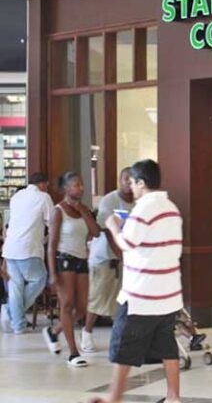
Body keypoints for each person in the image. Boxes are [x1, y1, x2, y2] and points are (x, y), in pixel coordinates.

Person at [93, 159, 184, 403]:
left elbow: (126, 244)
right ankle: (174, 396)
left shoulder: (144, 209)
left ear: (141, 183)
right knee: (167, 345)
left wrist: (113, 226)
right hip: (168, 295)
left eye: (132, 182)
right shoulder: (170, 208)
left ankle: (114, 397)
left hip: (141, 296)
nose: (130, 187)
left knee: (123, 345)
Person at [42, 172, 100, 367]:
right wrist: (52, 273)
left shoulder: (83, 209)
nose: (80, 188)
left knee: (82, 308)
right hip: (63, 259)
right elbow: (52, 243)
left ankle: (54, 331)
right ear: (66, 188)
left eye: (81, 184)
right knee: (66, 305)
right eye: (76, 184)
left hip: (82, 259)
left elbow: (96, 232)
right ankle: (73, 353)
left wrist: (83, 211)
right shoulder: (58, 211)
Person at [81, 167, 135, 353]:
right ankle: (86, 333)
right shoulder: (110, 200)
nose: (128, 183)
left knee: (121, 299)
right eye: (125, 179)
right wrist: (120, 254)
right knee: (98, 298)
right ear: (120, 180)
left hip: (126, 257)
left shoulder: (138, 202)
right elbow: (107, 231)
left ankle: (121, 335)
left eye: (132, 179)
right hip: (104, 258)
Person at [0, 172, 54, 335]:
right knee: (40, 278)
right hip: (28, 248)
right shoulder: (44, 197)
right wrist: (48, 238)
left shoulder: (17, 197)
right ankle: (10, 311)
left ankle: (18, 325)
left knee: (15, 285)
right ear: (43, 184)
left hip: (10, 248)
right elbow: (52, 221)